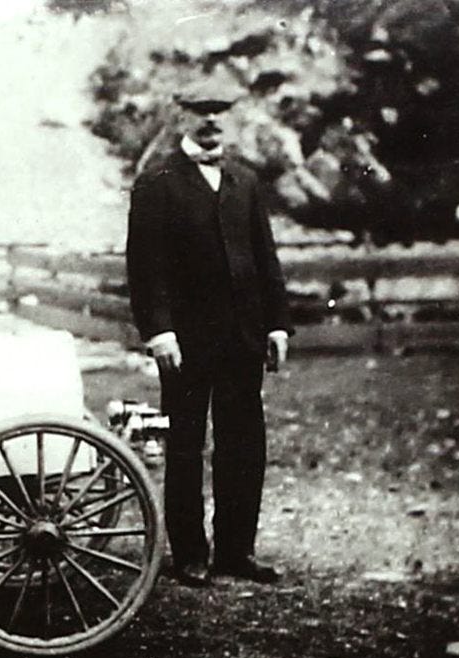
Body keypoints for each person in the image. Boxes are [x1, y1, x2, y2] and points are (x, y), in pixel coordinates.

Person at [125, 79, 293, 587]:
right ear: (180, 118)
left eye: (220, 111)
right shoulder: (158, 183)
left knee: (244, 446)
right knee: (185, 447)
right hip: (186, 344)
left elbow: (265, 259)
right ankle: (190, 555)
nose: (211, 120)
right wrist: (159, 331)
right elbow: (144, 267)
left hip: (244, 338)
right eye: (200, 111)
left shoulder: (244, 182)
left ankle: (236, 552)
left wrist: (278, 323)